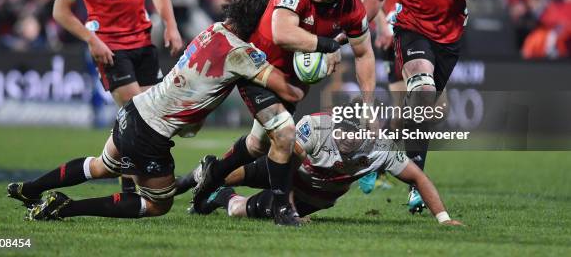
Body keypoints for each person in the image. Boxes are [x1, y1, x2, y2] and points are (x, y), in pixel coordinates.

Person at [6, 0, 305, 221]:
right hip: (149, 134)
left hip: (134, 111)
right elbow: (287, 91)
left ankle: (30, 188)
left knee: (100, 167)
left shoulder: (213, 30)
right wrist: (309, 70)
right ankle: (64, 208)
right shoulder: (241, 54)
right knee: (157, 203)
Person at [191, 0, 376, 226]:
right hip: (258, 68)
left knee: (256, 146)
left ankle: (212, 174)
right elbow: (282, 32)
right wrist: (328, 45)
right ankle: (282, 211)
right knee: (285, 134)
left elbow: (364, 54)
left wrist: (369, 105)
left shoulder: (352, 9)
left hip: (291, 82)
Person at [363, 0, 504, 211]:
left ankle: (382, 154)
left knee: (429, 111)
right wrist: (350, 33)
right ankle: (414, 182)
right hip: (410, 31)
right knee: (422, 91)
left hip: (450, 38)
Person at [51, 0, 184, 193]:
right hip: (111, 48)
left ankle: (126, 177)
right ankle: (129, 186)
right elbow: (60, 11)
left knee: (153, 115)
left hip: (143, 43)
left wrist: (171, 26)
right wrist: (92, 39)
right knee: (138, 111)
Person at [183, 111, 463, 226]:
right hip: (287, 172)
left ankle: (222, 197)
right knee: (230, 171)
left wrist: (444, 219)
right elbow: (287, 166)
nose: (344, 139)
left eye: (353, 136)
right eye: (340, 133)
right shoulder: (314, 127)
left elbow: (418, 177)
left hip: (313, 198)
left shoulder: (381, 149)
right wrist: (286, 207)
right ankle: (203, 176)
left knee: (237, 209)